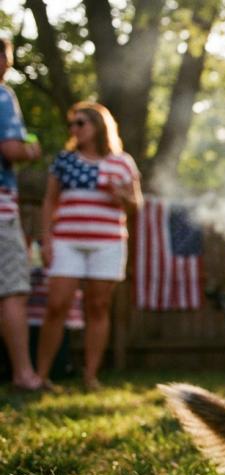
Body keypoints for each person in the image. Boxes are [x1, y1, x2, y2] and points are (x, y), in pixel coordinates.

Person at [36, 101, 142, 390]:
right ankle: (40, 377)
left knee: (98, 306)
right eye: (72, 124)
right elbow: (49, 201)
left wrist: (121, 194)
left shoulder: (122, 162)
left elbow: (135, 204)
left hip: (107, 242)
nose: (75, 129)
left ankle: (89, 376)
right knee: (57, 305)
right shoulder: (64, 160)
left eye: (81, 123)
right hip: (67, 241)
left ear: (98, 126)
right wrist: (47, 241)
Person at [0, 37, 44, 391]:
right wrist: (30, 151)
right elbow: (11, 148)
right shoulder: (2, 96)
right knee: (12, 290)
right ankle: (24, 375)